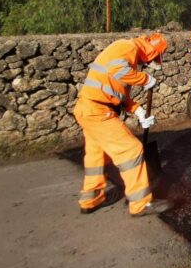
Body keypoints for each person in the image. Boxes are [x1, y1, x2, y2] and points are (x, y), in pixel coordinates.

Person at [73, 33, 170, 217]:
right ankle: (140, 203)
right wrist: (145, 80)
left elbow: (118, 93)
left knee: (97, 156)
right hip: (99, 111)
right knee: (131, 150)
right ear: (151, 52)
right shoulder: (128, 48)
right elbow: (120, 71)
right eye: (154, 58)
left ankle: (91, 198)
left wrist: (139, 112)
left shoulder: (126, 51)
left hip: (89, 108)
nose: (150, 63)